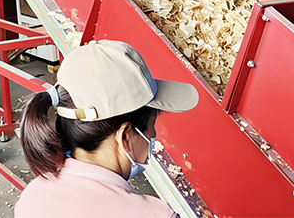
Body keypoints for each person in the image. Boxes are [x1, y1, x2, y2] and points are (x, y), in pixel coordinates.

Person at [15, 40, 199, 217]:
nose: (153, 135)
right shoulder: (155, 214)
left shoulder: (32, 196)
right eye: (151, 126)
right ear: (124, 137)